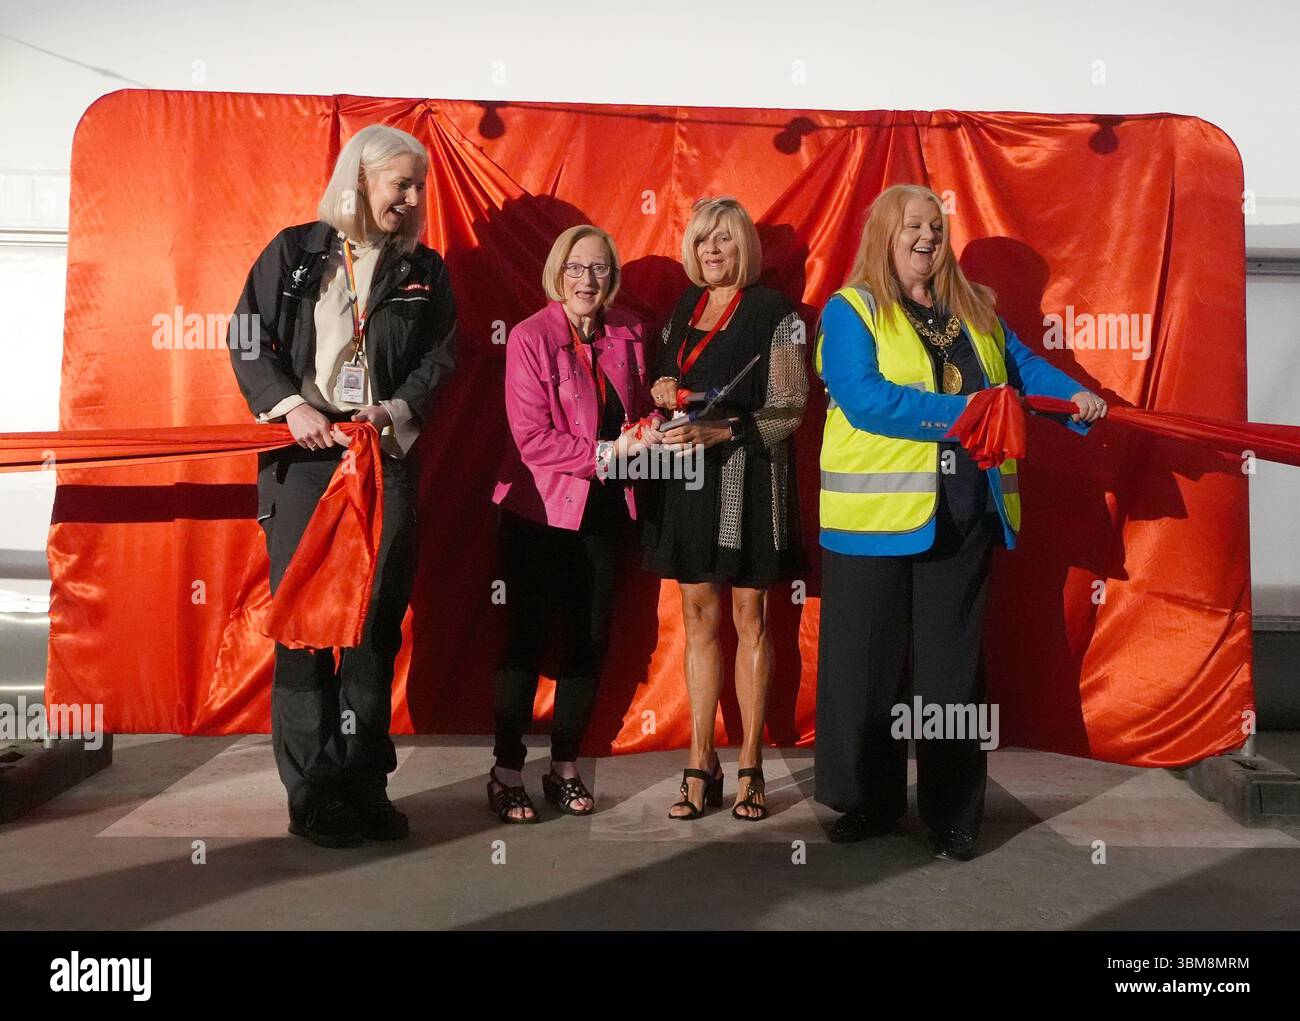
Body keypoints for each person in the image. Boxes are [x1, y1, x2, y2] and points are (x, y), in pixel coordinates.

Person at [813, 183, 1107, 861]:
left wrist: (1075, 397)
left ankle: (952, 814)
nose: (927, 237)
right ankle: (867, 803)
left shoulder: (974, 309)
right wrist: (969, 416)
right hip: (872, 519)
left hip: (966, 512)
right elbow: (864, 400)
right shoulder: (852, 310)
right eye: (912, 226)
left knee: (952, 675)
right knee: (865, 671)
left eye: (937, 227)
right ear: (884, 236)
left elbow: (1023, 370)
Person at [227, 124, 457, 848]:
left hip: (379, 456)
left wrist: (393, 408)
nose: (414, 198)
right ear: (360, 180)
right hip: (304, 460)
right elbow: (243, 336)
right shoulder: (296, 252)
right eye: (402, 184)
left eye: (417, 186)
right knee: (304, 627)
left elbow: (442, 358)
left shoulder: (426, 269)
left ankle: (362, 780)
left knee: (372, 624)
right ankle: (312, 792)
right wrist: (289, 405)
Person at [488, 225, 661, 822]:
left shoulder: (631, 331)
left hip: (607, 510)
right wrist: (610, 455)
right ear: (557, 273)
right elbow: (532, 440)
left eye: (601, 270)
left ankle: (564, 768)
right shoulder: (530, 337)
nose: (589, 281)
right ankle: (506, 771)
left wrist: (657, 427)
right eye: (577, 269)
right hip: (539, 510)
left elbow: (637, 414)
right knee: (527, 638)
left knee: (589, 641)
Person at [644, 197, 808, 822]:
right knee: (696, 613)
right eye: (704, 241)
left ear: (745, 249)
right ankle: (698, 759)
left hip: (750, 477)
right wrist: (661, 387)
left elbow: (790, 407)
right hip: (687, 480)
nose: (713, 252)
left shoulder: (775, 312)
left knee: (750, 614)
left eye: (726, 241)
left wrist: (726, 433)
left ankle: (749, 763)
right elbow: (667, 380)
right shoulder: (683, 307)